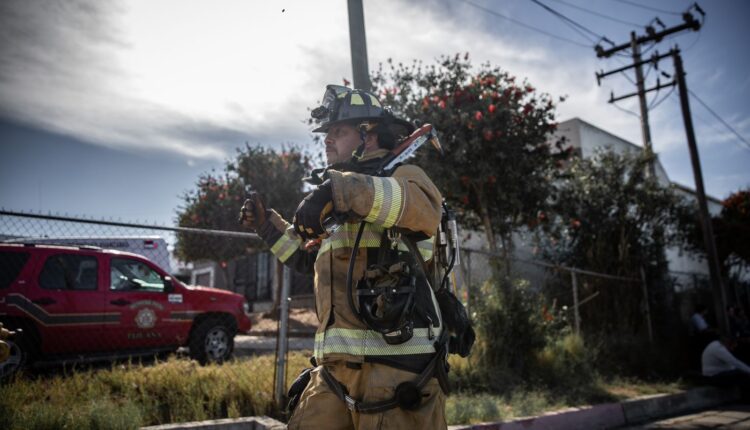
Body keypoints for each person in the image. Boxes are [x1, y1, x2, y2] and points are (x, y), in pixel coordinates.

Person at [240, 85, 466, 429]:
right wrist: (268, 228)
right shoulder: (339, 204)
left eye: (338, 131)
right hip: (333, 371)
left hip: (395, 371)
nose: (327, 140)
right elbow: (307, 258)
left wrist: (340, 190)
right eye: (326, 133)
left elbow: (424, 212)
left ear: (369, 135)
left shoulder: (403, 178)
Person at [702, 333, 750, 398]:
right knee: (742, 375)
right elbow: (735, 362)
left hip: (715, 374)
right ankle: (746, 398)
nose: (733, 349)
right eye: (733, 346)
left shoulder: (715, 344)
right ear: (729, 343)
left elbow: (732, 366)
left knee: (740, 372)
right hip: (713, 377)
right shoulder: (719, 349)